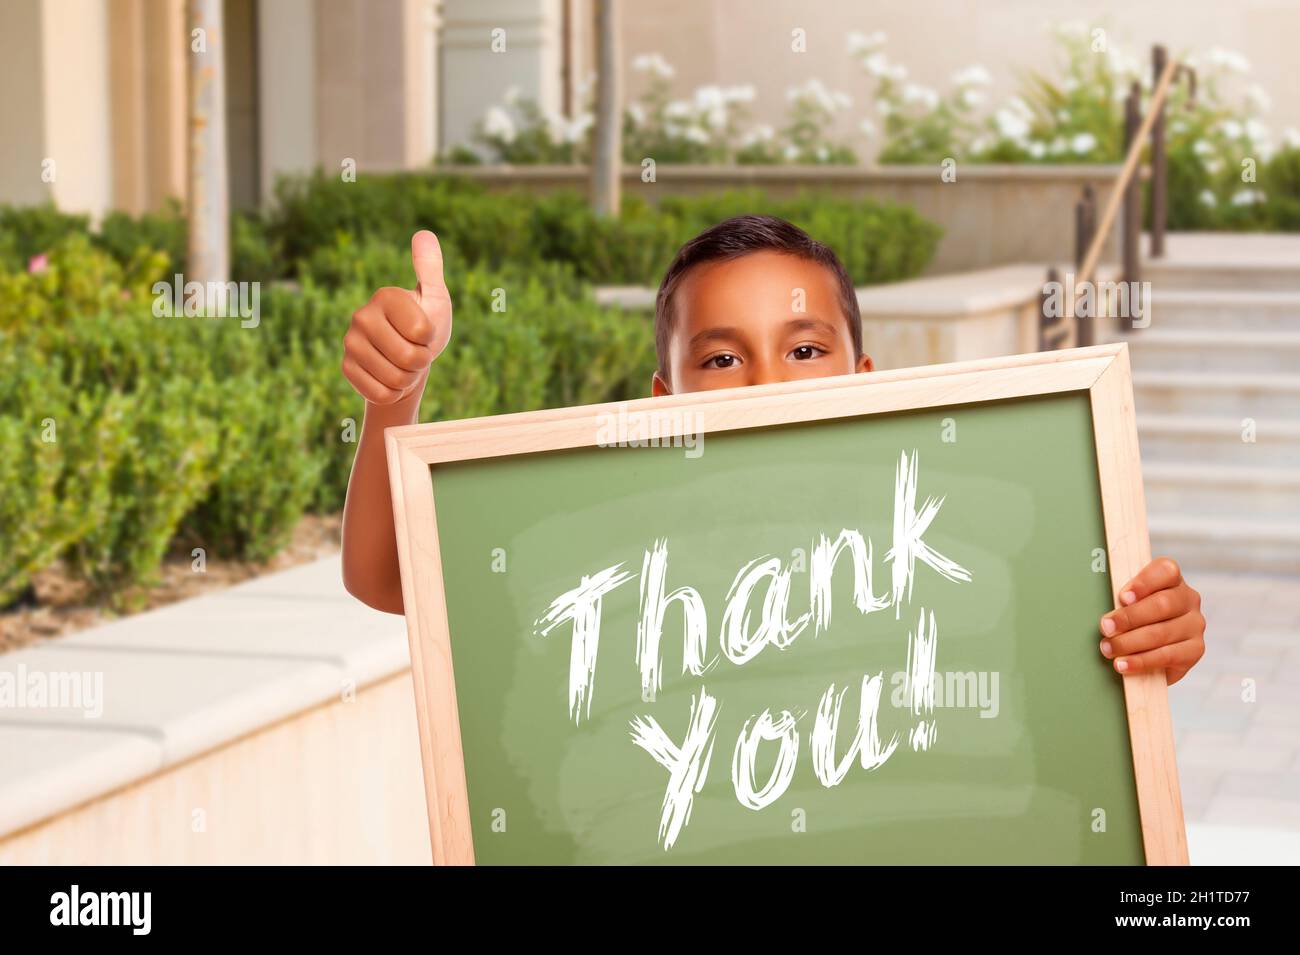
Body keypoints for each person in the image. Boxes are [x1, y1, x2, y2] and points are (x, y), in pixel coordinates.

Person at [339, 216, 1206, 684]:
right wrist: (395, 395)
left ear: (862, 376)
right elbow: (384, 575)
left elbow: (1067, 656)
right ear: (664, 400)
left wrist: (1149, 638)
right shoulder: (614, 550)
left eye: (802, 349)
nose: (765, 385)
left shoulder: (958, 546)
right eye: (721, 358)